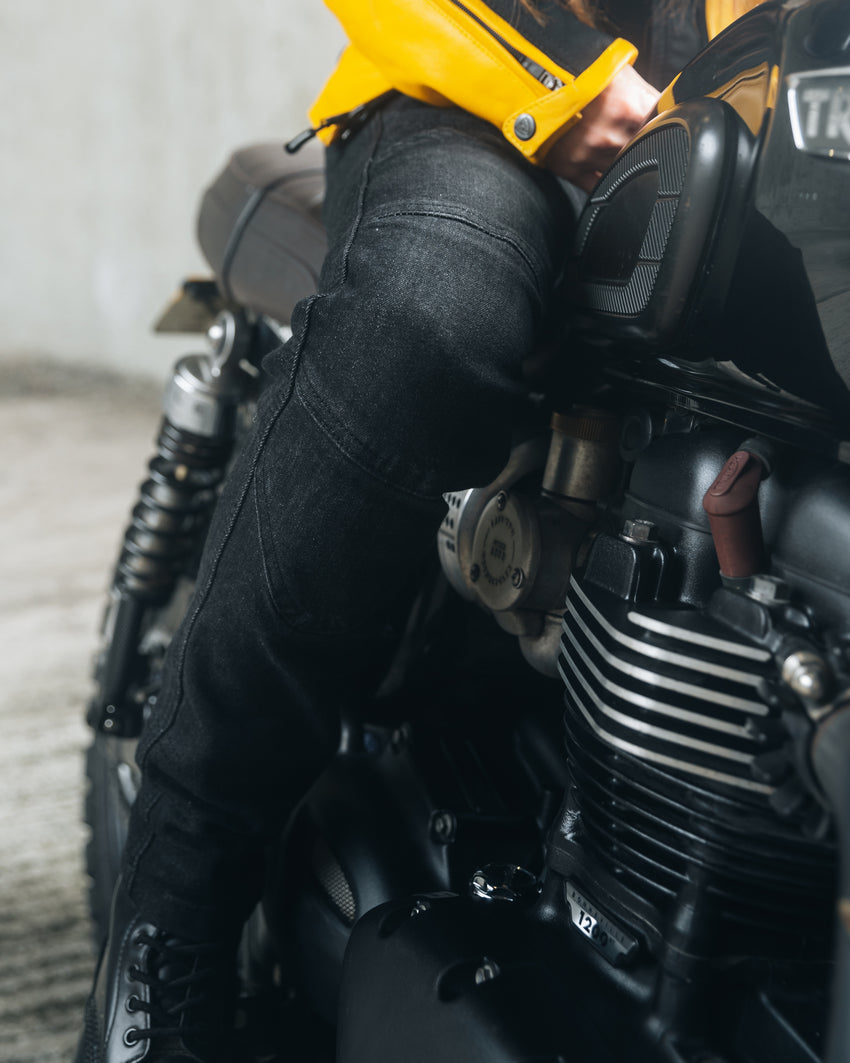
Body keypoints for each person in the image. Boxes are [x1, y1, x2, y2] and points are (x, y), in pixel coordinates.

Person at [74, 1, 709, 1060]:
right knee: (429, 319)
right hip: (486, 96)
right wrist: (564, 86)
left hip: (763, 133)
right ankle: (174, 906)